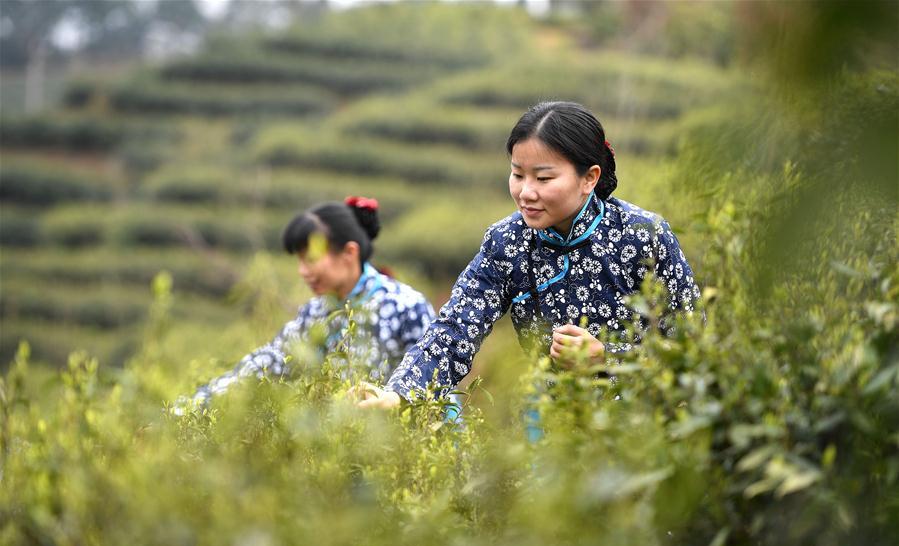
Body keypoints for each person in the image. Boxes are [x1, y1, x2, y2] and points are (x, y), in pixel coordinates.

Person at [357, 101, 700, 408]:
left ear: (589, 178)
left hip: (647, 426)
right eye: (517, 174)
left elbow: (694, 345)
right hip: (551, 429)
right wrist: (397, 395)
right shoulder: (508, 242)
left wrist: (607, 357)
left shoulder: (642, 235)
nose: (525, 192)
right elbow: (456, 328)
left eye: (543, 178)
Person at [177, 197, 436, 413]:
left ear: (349, 253)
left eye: (310, 259)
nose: (303, 271)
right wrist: (191, 408)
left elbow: (437, 387)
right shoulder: (315, 314)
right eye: (299, 261)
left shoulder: (406, 307)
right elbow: (268, 363)